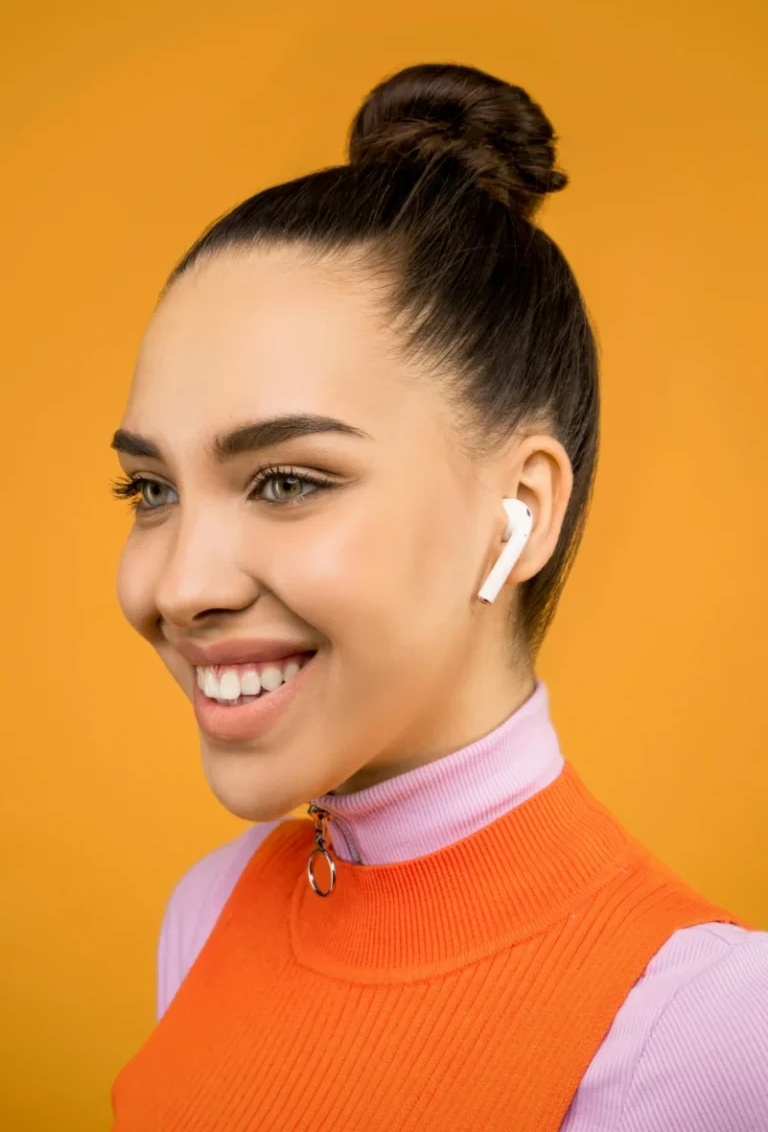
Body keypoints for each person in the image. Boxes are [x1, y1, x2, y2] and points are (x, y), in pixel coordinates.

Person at [107, 63, 767, 1130]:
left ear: (519, 509)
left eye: (286, 480)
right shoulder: (206, 911)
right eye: (151, 488)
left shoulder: (711, 1031)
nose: (178, 586)